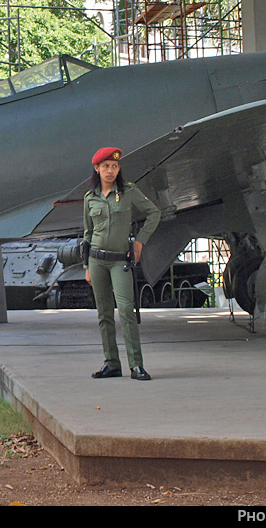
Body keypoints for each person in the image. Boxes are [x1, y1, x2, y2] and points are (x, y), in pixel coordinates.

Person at [83, 147, 161, 381]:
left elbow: (154, 213)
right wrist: (87, 266)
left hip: (120, 261)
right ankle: (111, 363)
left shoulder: (128, 192)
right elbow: (88, 233)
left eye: (114, 166)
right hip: (97, 260)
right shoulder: (90, 198)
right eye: (105, 166)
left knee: (126, 310)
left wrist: (140, 241)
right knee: (103, 313)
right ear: (97, 169)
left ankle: (136, 365)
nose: (110, 171)